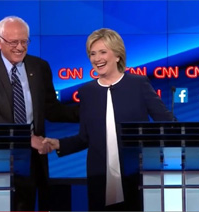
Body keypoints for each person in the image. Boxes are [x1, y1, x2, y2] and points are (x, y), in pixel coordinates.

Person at [41, 28, 175, 211]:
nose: (97, 59)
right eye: (92, 54)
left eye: (103, 52)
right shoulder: (87, 92)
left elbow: (168, 124)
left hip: (137, 175)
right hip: (99, 178)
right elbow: (85, 138)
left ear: (118, 55)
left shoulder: (138, 84)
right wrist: (58, 144)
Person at [0, 16, 79, 211]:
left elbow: (52, 110)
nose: (20, 47)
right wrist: (28, 138)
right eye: (14, 42)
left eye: (24, 41)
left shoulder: (39, 67)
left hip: (31, 161)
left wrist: (92, 111)